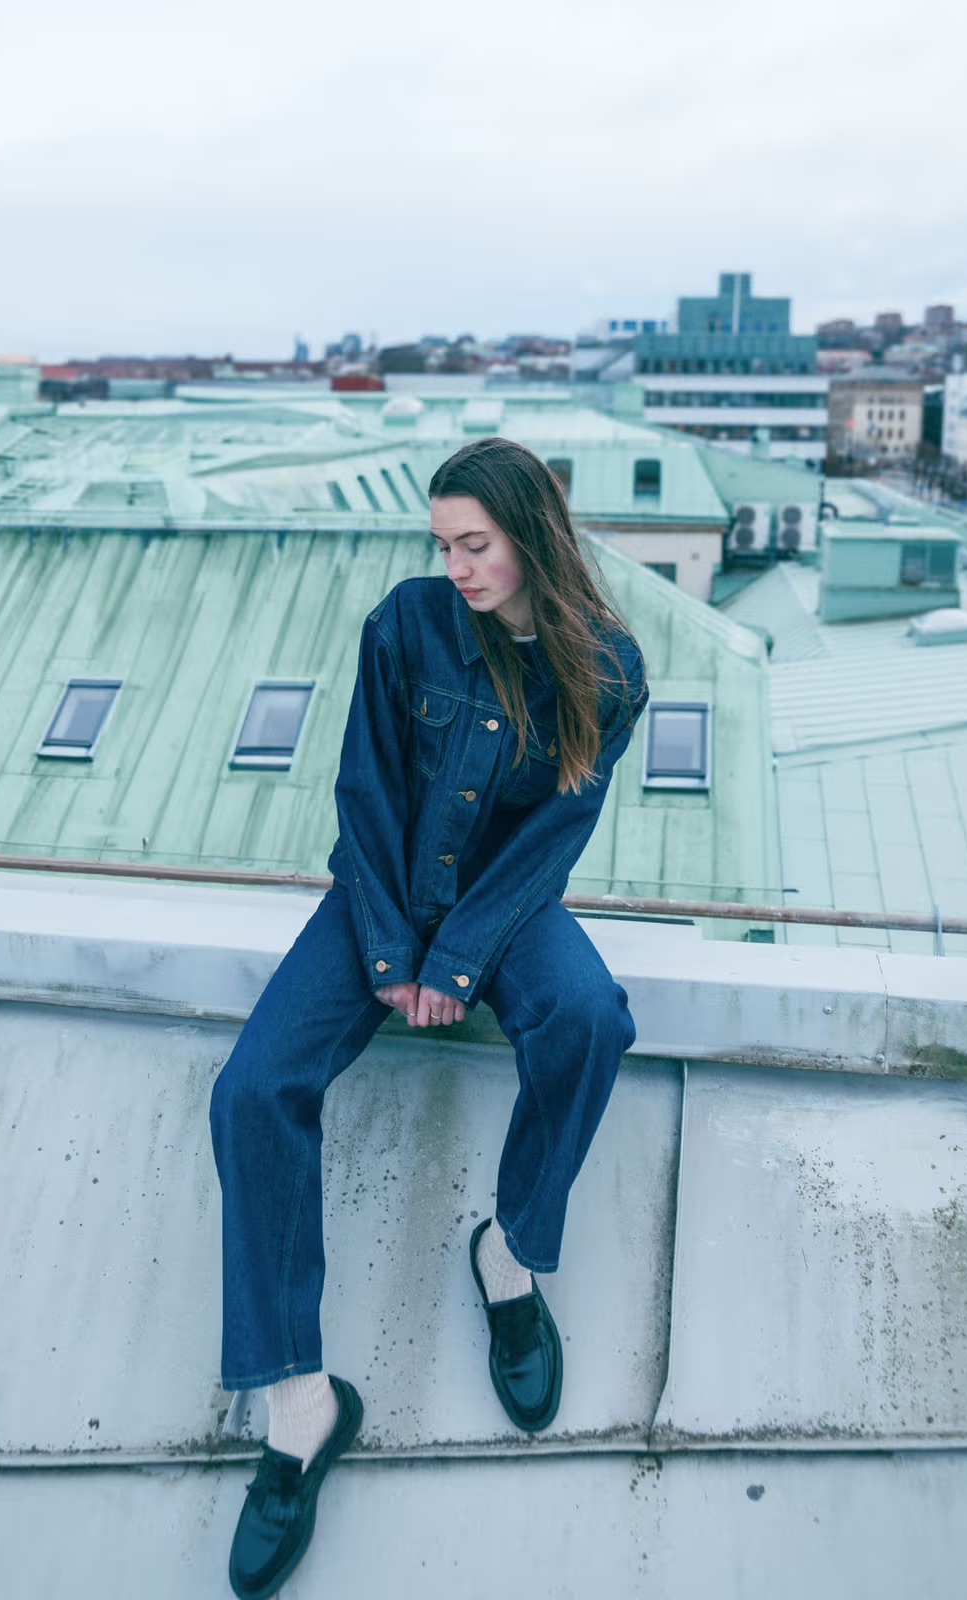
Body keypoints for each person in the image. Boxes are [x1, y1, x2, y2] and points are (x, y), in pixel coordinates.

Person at [210, 435, 649, 1598]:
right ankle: (299, 1404)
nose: (455, 565)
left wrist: (456, 963)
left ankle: (509, 1253)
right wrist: (393, 950)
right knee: (252, 1088)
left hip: (507, 906)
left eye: (475, 543)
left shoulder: (608, 668)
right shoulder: (406, 623)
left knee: (590, 1017)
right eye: (443, 543)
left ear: (533, 537)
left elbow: (552, 838)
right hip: (380, 892)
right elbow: (362, 793)